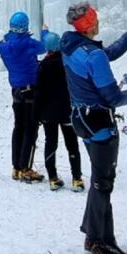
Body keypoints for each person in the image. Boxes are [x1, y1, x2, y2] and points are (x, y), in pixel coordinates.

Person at [61, 1, 127, 254]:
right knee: (103, 182)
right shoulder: (91, 55)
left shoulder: (70, 45)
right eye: (94, 18)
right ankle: (102, 242)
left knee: (99, 178)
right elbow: (111, 97)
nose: (98, 20)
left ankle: (93, 233)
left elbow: (106, 52)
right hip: (98, 120)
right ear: (90, 24)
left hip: (80, 118)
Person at [0, 11, 50, 183]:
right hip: (30, 89)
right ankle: (26, 168)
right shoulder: (27, 43)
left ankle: (16, 167)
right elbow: (44, 46)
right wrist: (45, 33)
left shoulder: (3, 44)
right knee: (31, 129)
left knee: (18, 127)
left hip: (16, 90)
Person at [35, 32, 84, 192]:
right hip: (67, 110)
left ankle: (53, 179)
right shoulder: (67, 63)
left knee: (51, 143)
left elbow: (39, 93)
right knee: (72, 144)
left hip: (48, 113)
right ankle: (77, 179)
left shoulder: (42, 66)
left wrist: (37, 114)